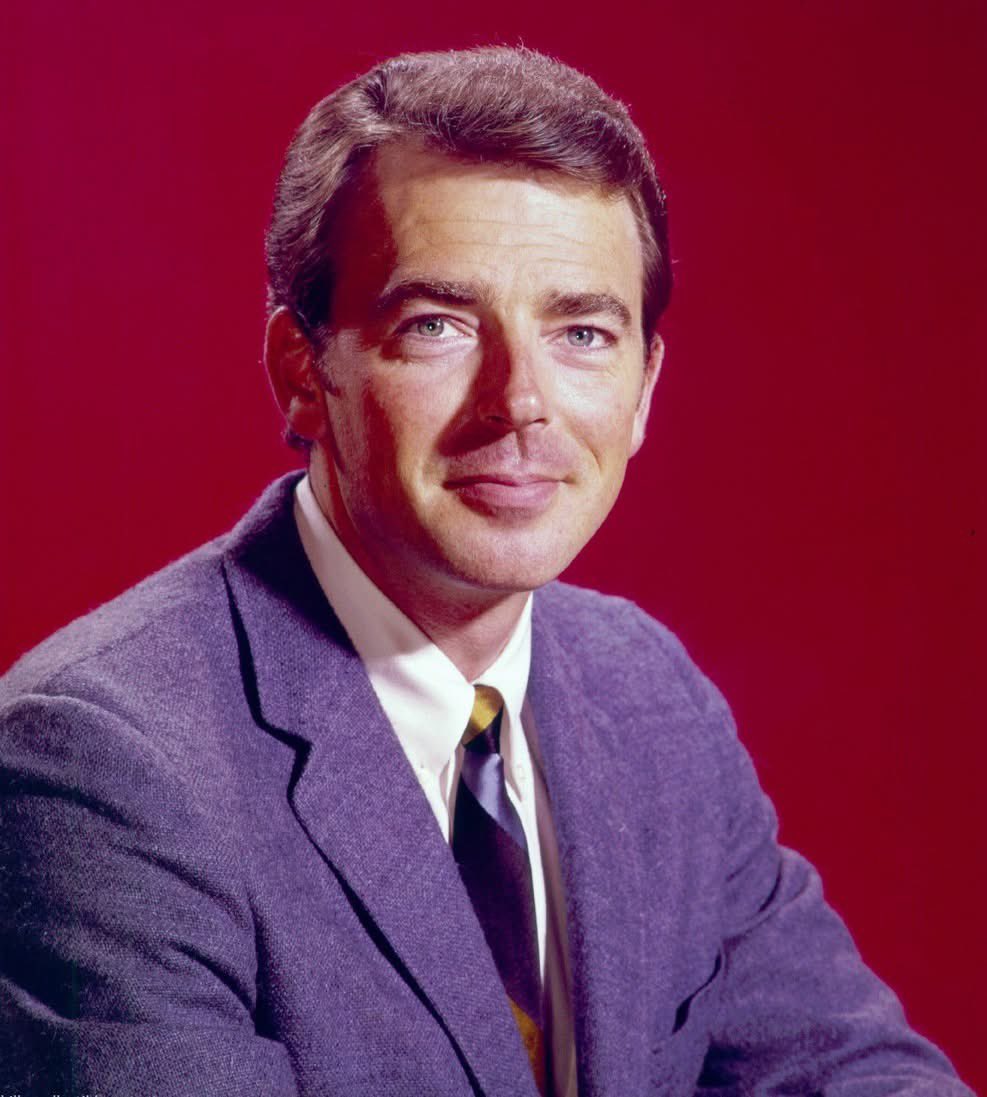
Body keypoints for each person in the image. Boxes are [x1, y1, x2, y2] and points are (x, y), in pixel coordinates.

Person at [0, 46, 972, 1097]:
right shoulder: (103, 768)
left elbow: (850, 1070)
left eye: (581, 332)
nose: (520, 403)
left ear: (644, 389)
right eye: (438, 325)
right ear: (302, 370)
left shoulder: (651, 698)